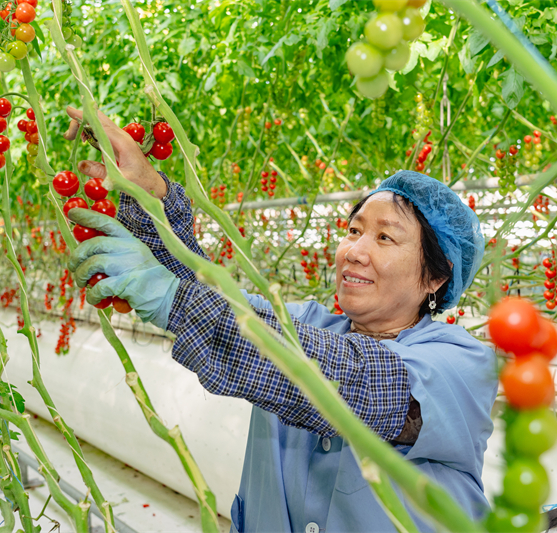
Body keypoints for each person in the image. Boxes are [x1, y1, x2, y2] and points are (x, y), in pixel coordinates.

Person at [64, 107, 498, 532]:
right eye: (353, 230)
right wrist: (147, 191)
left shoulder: (462, 365)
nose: (354, 251)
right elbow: (211, 299)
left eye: (385, 237)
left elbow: (360, 383)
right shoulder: (306, 323)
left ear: (436, 277)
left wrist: (173, 299)